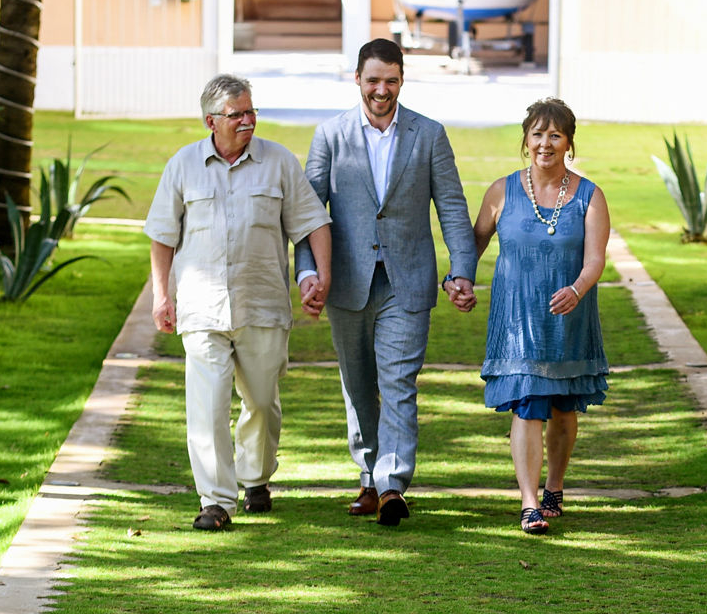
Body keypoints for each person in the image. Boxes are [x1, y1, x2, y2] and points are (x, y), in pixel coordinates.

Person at [294, 38, 477, 526]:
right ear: (357, 79)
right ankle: (369, 475)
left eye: (391, 80)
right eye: (372, 80)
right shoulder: (330, 136)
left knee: (398, 380)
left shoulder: (429, 134)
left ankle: (393, 483)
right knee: (358, 384)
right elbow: (307, 213)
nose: (381, 90)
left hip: (408, 280)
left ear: (402, 81)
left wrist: (462, 269)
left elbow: (453, 209)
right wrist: (308, 272)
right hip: (347, 282)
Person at [145, 74, 331, 531]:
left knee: (262, 401)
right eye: (237, 114)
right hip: (201, 307)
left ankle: (255, 478)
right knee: (207, 407)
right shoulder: (183, 165)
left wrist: (321, 277)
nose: (247, 120)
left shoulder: (279, 162)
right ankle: (215, 501)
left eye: (251, 111)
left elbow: (313, 222)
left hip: (262, 303)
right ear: (211, 120)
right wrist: (161, 294)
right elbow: (162, 235)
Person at [470, 98, 610, 535]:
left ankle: (554, 486)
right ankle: (530, 503)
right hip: (517, 321)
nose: (545, 144)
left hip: (568, 319)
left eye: (555, 135)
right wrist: (458, 278)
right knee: (528, 404)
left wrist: (577, 289)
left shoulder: (590, 195)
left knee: (564, 409)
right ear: (525, 139)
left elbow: (595, 260)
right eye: (537, 134)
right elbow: (473, 245)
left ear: (568, 141)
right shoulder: (501, 191)